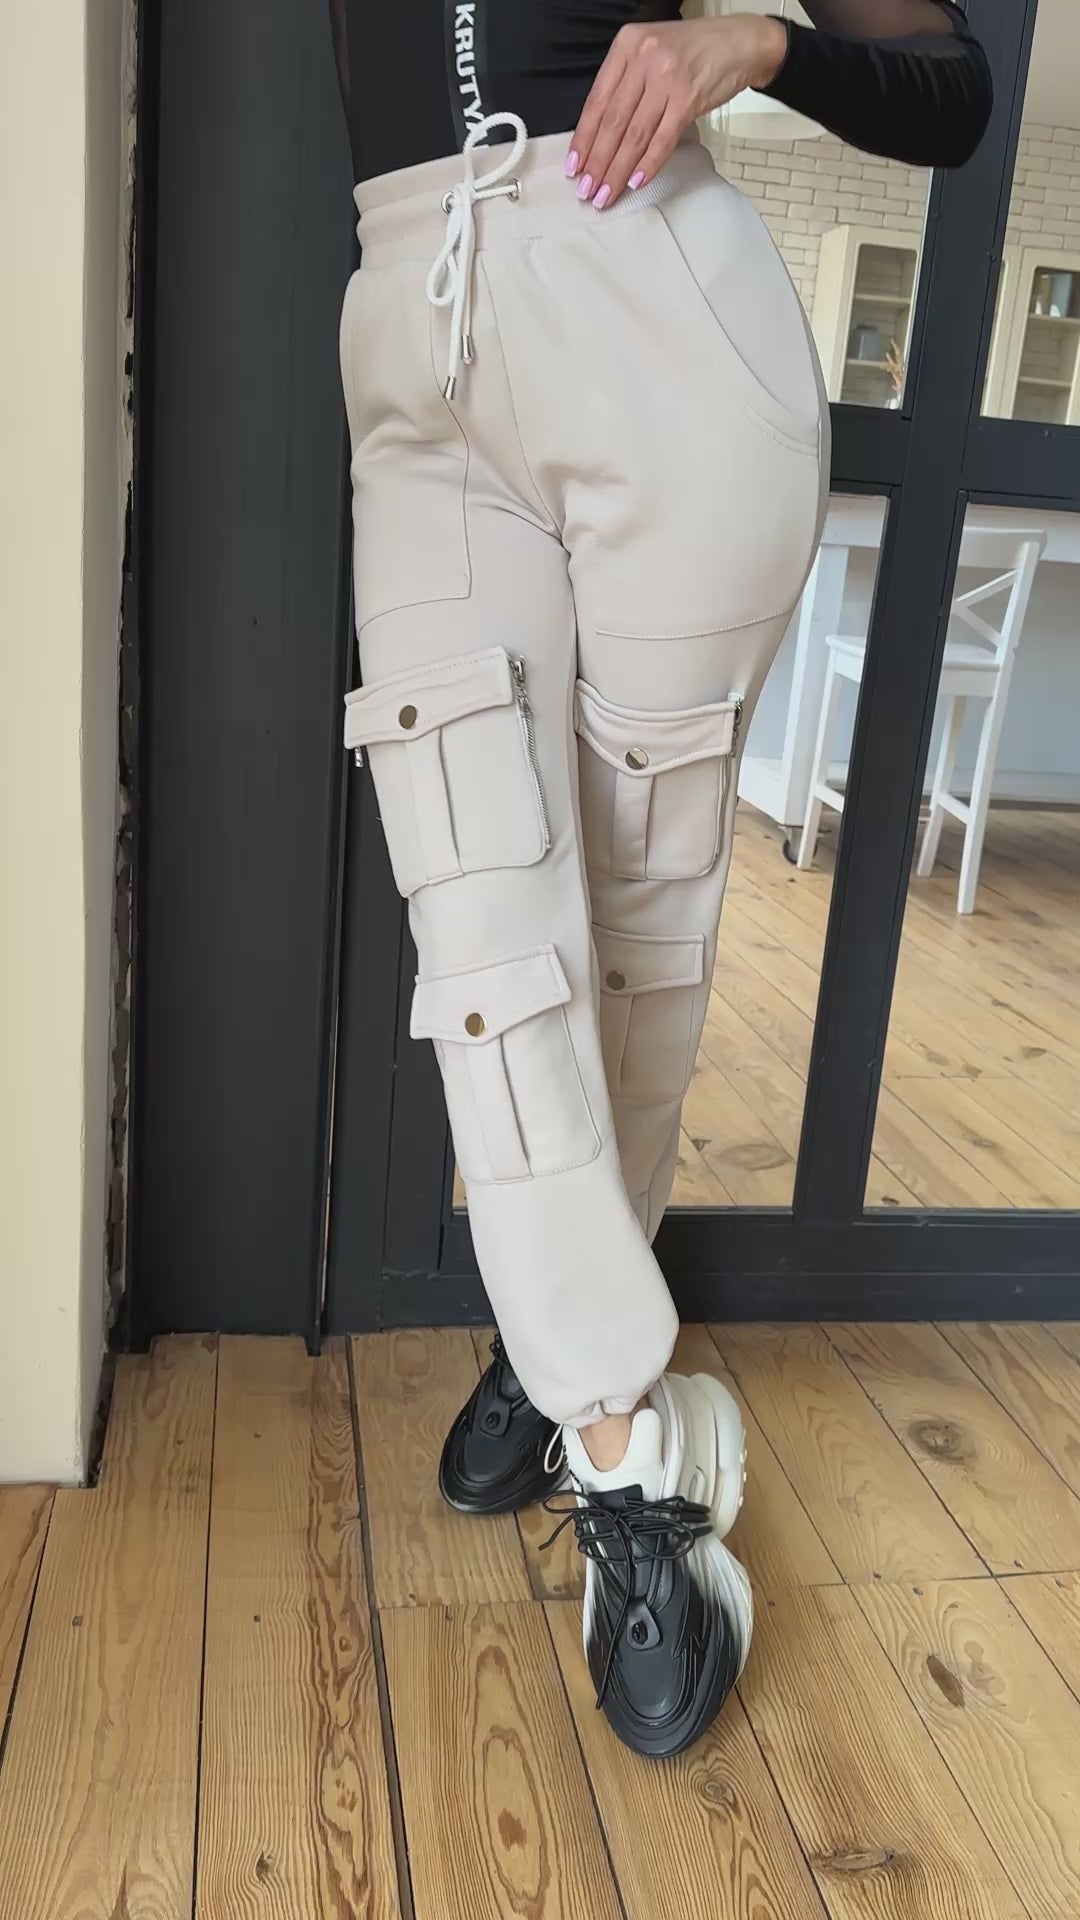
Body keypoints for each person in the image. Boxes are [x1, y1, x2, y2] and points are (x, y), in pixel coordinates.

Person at [329, 2, 991, 1759]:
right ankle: (623, 1419)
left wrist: (750, 43)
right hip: (414, 326)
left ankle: (574, 1373)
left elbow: (952, 90)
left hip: (657, 310)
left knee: (638, 920)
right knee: (482, 918)